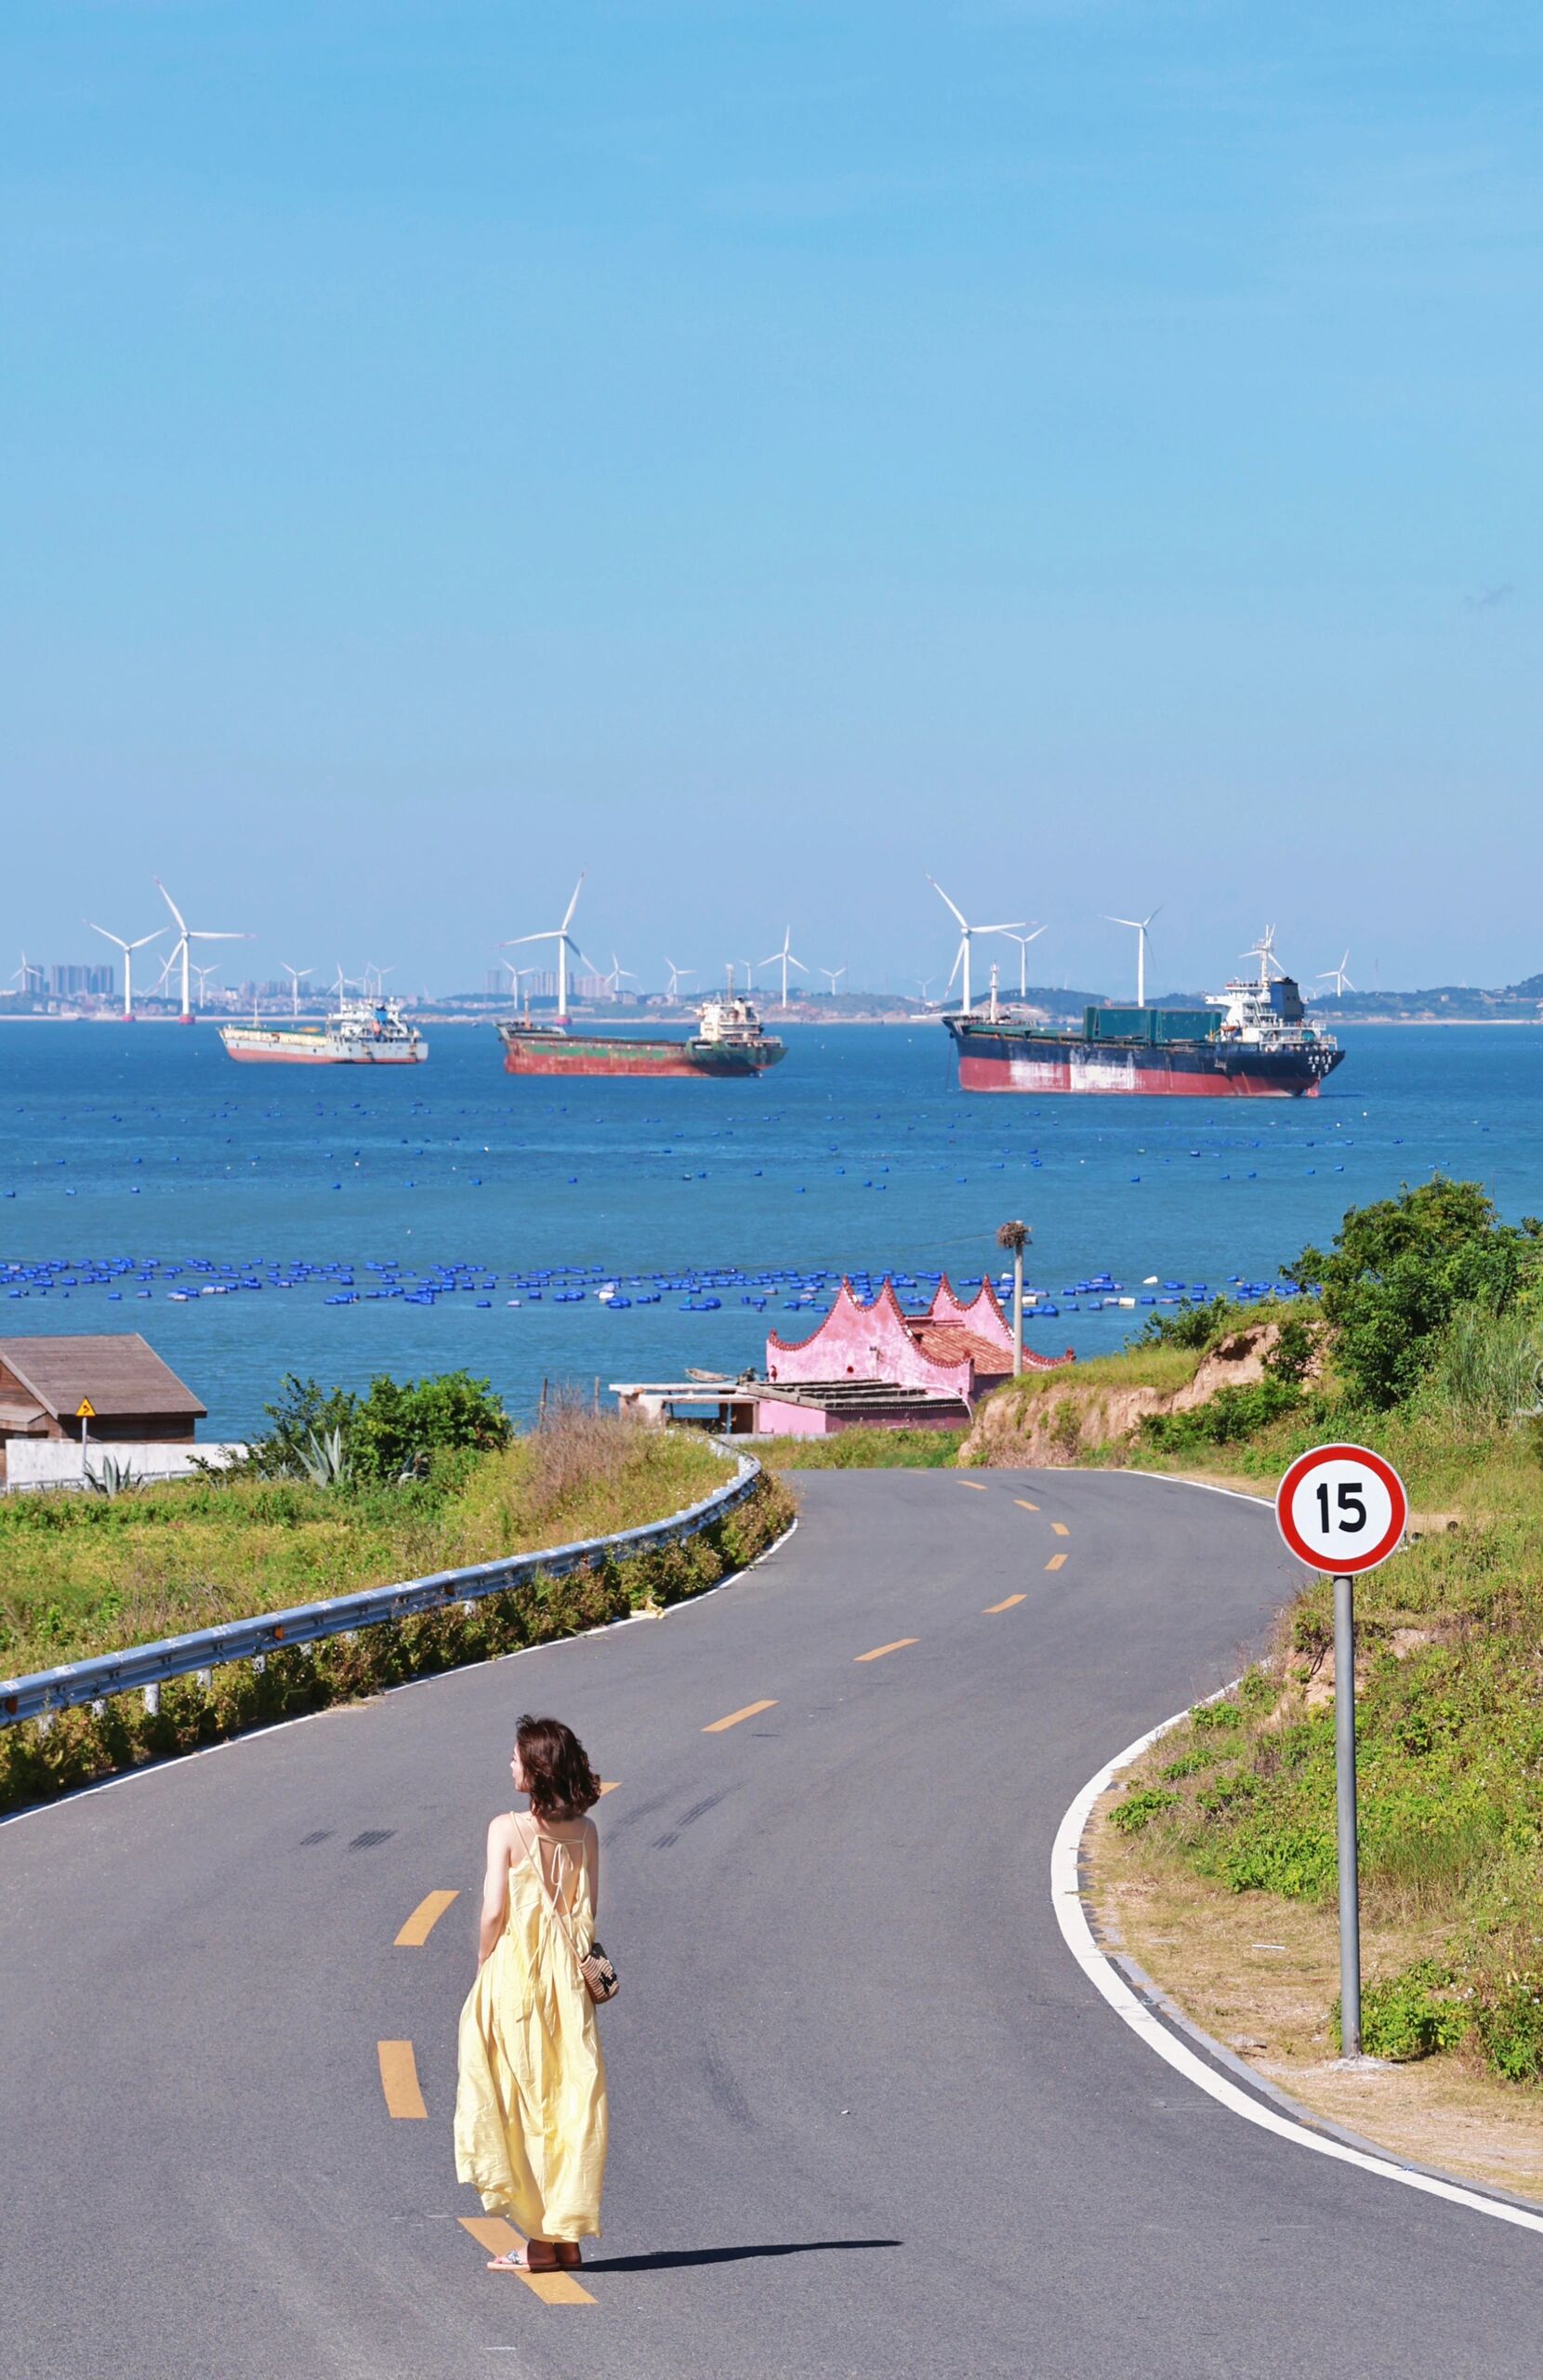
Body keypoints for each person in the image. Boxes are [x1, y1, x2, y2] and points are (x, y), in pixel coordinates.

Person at [454, 1712, 609, 2271]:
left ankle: (542, 2242)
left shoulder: (506, 1829)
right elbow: (586, 1911)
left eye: (517, 1758)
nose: (510, 1764)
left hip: (515, 1977)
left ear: (537, 1772)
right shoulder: (586, 1833)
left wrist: (482, 1964)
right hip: (567, 1983)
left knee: (520, 2101)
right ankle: (564, 2235)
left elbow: (495, 1910)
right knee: (568, 2100)